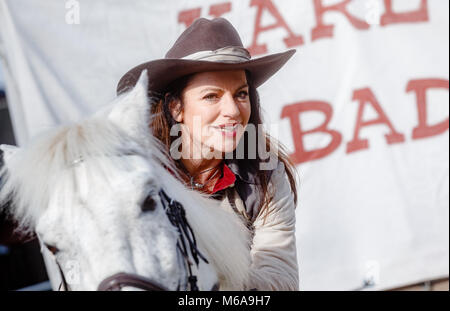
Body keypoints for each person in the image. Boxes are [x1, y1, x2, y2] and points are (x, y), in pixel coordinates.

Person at [117, 17, 299, 291]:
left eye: (240, 94)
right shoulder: (135, 177)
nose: (233, 111)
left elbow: (280, 280)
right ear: (176, 107)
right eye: (211, 96)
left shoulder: (265, 175)